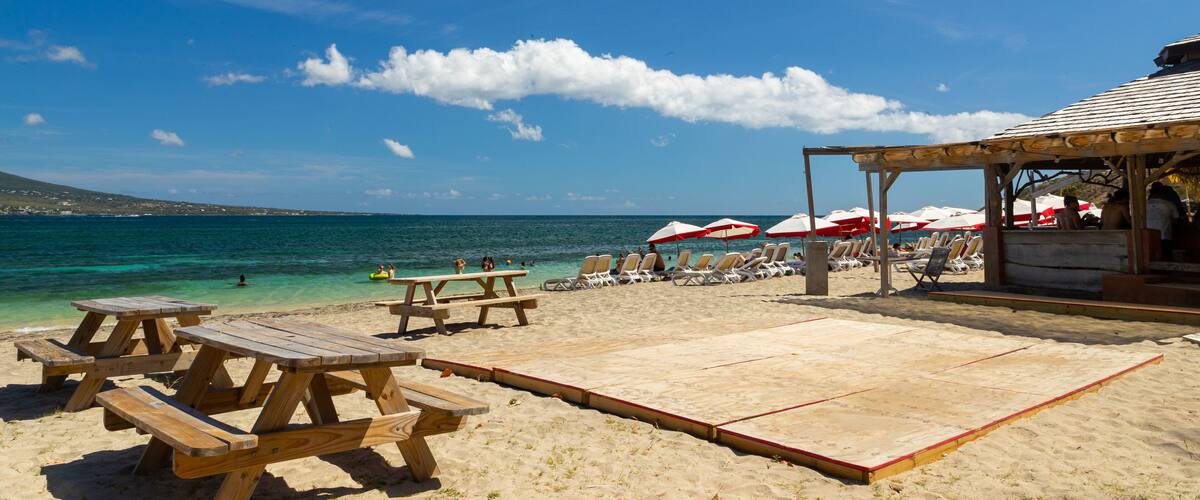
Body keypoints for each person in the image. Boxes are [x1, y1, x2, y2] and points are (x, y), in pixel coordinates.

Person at [1148, 184, 1181, 260]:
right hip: (1165, 236)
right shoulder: (1169, 204)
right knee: (1165, 258)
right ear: (1162, 193)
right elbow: (1175, 220)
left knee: (1150, 258)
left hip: (1147, 236)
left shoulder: (1143, 205)